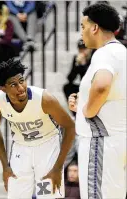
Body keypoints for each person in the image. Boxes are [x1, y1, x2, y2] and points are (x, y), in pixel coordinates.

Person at [0, 58, 75, 199]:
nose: (20, 88)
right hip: (20, 150)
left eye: (21, 81)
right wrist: (5, 166)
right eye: (13, 85)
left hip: (47, 147)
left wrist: (58, 167)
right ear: (3, 88)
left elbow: (70, 127)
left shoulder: (45, 99)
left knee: (48, 196)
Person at [68, 3, 126, 199]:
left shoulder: (105, 53)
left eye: (83, 27)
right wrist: (82, 102)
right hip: (115, 140)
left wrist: (87, 112)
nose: (82, 32)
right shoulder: (121, 52)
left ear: (95, 28)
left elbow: (102, 86)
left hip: (100, 141)